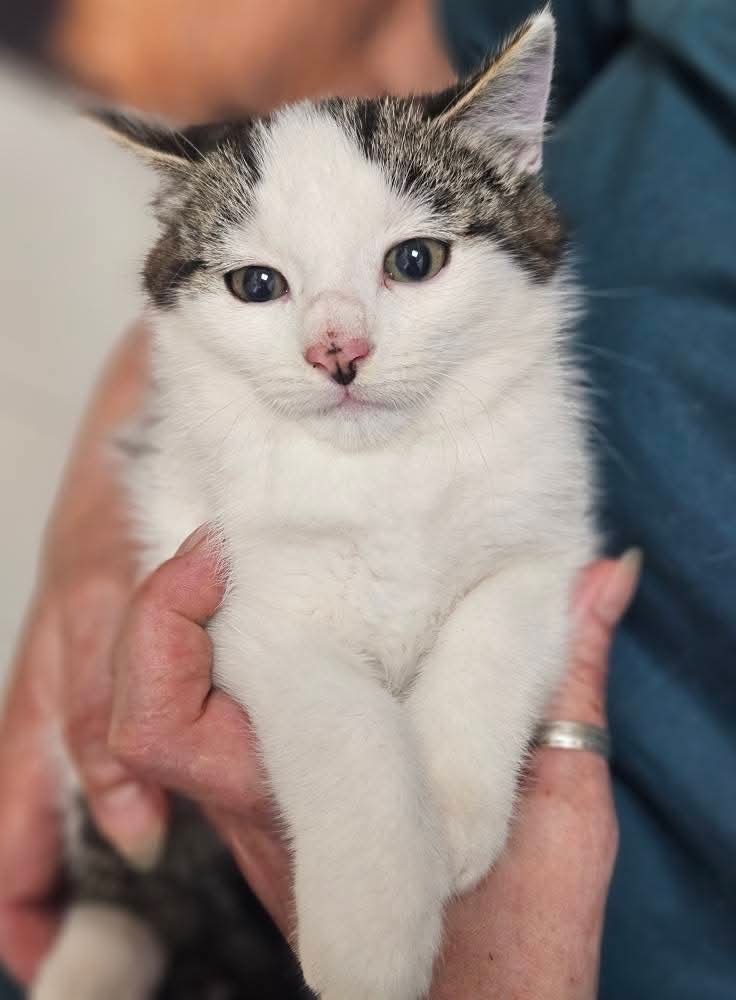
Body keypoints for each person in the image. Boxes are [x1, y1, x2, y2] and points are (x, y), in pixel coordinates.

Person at [2, 1, 735, 997]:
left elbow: (521, 573)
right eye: (259, 285)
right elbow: (394, 84)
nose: (336, 343)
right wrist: (96, 509)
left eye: (414, 261)